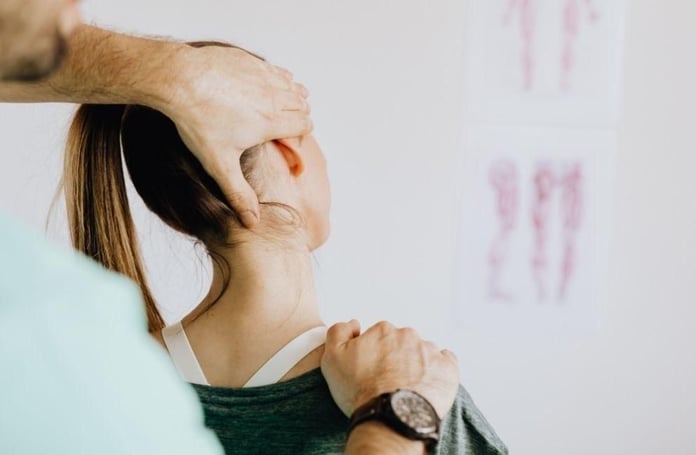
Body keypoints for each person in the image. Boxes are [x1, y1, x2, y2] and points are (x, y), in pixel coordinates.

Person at [0, 1, 472, 454]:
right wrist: (398, 413)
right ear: (291, 153)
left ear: (172, 207)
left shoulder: (79, 382)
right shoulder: (416, 398)